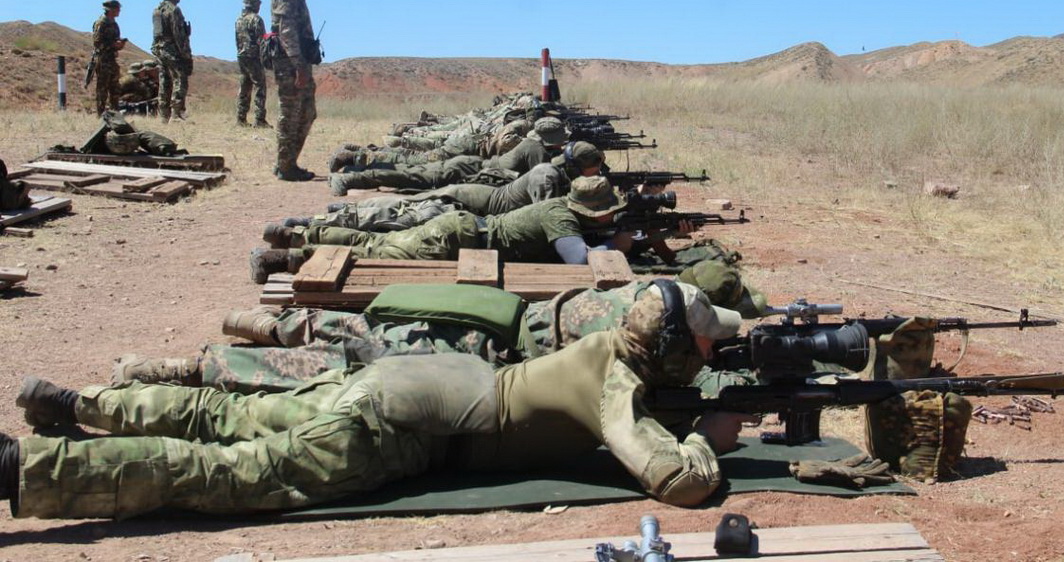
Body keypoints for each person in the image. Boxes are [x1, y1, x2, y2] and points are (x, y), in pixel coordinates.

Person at [1, 283, 750, 518]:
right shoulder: (613, 389)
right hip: (397, 427)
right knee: (222, 472)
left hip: (405, 379)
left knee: (222, 414)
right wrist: (708, 441)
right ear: (676, 348)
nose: (711, 353)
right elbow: (677, 481)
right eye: (708, 345)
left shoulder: (603, 347)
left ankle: (78, 401)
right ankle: (24, 469)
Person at [116, 269, 761, 393]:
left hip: (485, 321)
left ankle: (257, 321)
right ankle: (171, 371)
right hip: (472, 357)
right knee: (334, 367)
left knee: (347, 327)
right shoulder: (640, 353)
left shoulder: (644, 298)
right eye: (707, 342)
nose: (713, 348)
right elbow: (689, 380)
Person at [251, 176, 653, 282]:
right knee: (375, 252)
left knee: (376, 241)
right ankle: (284, 257)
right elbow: (579, 262)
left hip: (463, 232)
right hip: (456, 239)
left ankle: (297, 235)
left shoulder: (563, 212)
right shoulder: (561, 218)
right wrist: (618, 246)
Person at [305, 141, 605, 232]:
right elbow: (547, 216)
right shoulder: (546, 174)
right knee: (411, 198)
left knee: (411, 197)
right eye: (596, 168)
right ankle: (347, 194)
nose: (600, 172)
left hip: (479, 192)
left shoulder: (553, 171)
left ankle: (345, 210)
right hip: (471, 199)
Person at [328, 116, 567, 196]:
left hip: (472, 165)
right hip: (468, 168)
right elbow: (544, 181)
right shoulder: (533, 148)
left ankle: (356, 162)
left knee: (412, 168)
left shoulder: (534, 146)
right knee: (411, 172)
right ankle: (352, 172)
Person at [271, 0, 320, 181]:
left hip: (298, 61)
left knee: (306, 112)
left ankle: (288, 161)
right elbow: (286, 32)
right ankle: (285, 166)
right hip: (291, 64)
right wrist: (299, 66)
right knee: (291, 113)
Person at [151, 0, 192, 123]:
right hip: (172, 51)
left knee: (164, 81)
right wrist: (185, 53)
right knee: (180, 80)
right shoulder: (174, 10)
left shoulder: (157, 10)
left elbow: (157, 34)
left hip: (160, 50)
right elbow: (178, 34)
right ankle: (176, 114)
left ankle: (163, 115)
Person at [234, 0, 270, 128]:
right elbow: (262, 40)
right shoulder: (256, 19)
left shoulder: (239, 20)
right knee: (260, 87)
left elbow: (237, 40)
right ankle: (259, 119)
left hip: (241, 56)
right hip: (254, 57)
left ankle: (240, 118)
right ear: (255, 5)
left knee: (244, 86)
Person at [91, 0, 126, 116]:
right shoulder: (101, 23)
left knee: (115, 88)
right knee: (102, 88)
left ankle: (115, 114)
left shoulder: (114, 24)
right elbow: (97, 43)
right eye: (117, 8)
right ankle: (100, 114)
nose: (119, 11)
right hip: (103, 60)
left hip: (112, 60)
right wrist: (112, 45)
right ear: (111, 10)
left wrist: (119, 45)